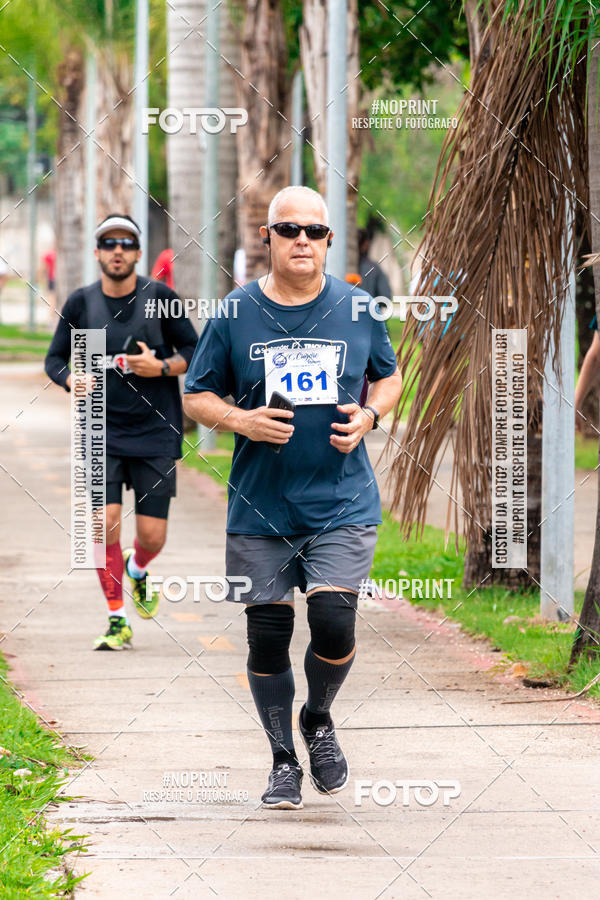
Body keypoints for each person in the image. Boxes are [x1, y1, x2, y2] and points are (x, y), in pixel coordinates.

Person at [183, 186, 402, 810]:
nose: (301, 240)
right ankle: (283, 758)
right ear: (268, 239)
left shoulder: (359, 308)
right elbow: (196, 395)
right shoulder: (235, 311)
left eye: (314, 230)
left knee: (334, 623)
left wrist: (370, 416)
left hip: (341, 500)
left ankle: (319, 718)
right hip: (261, 506)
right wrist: (242, 421)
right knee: (268, 636)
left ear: (330, 241)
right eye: (288, 230)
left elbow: (387, 376)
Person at [45, 214, 198, 650]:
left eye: (126, 243)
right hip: (100, 429)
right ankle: (117, 618)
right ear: (97, 252)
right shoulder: (82, 304)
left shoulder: (160, 299)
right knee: (103, 523)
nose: (117, 250)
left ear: (137, 252)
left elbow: (194, 348)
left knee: (152, 536)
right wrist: (70, 379)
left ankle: (137, 567)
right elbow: (55, 358)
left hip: (154, 429)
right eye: (109, 243)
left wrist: (163, 366)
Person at [358, 227, 392, 300]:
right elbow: (386, 295)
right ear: (366, 244)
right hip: (367, 309)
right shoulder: (373, 268)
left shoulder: (335, 267)